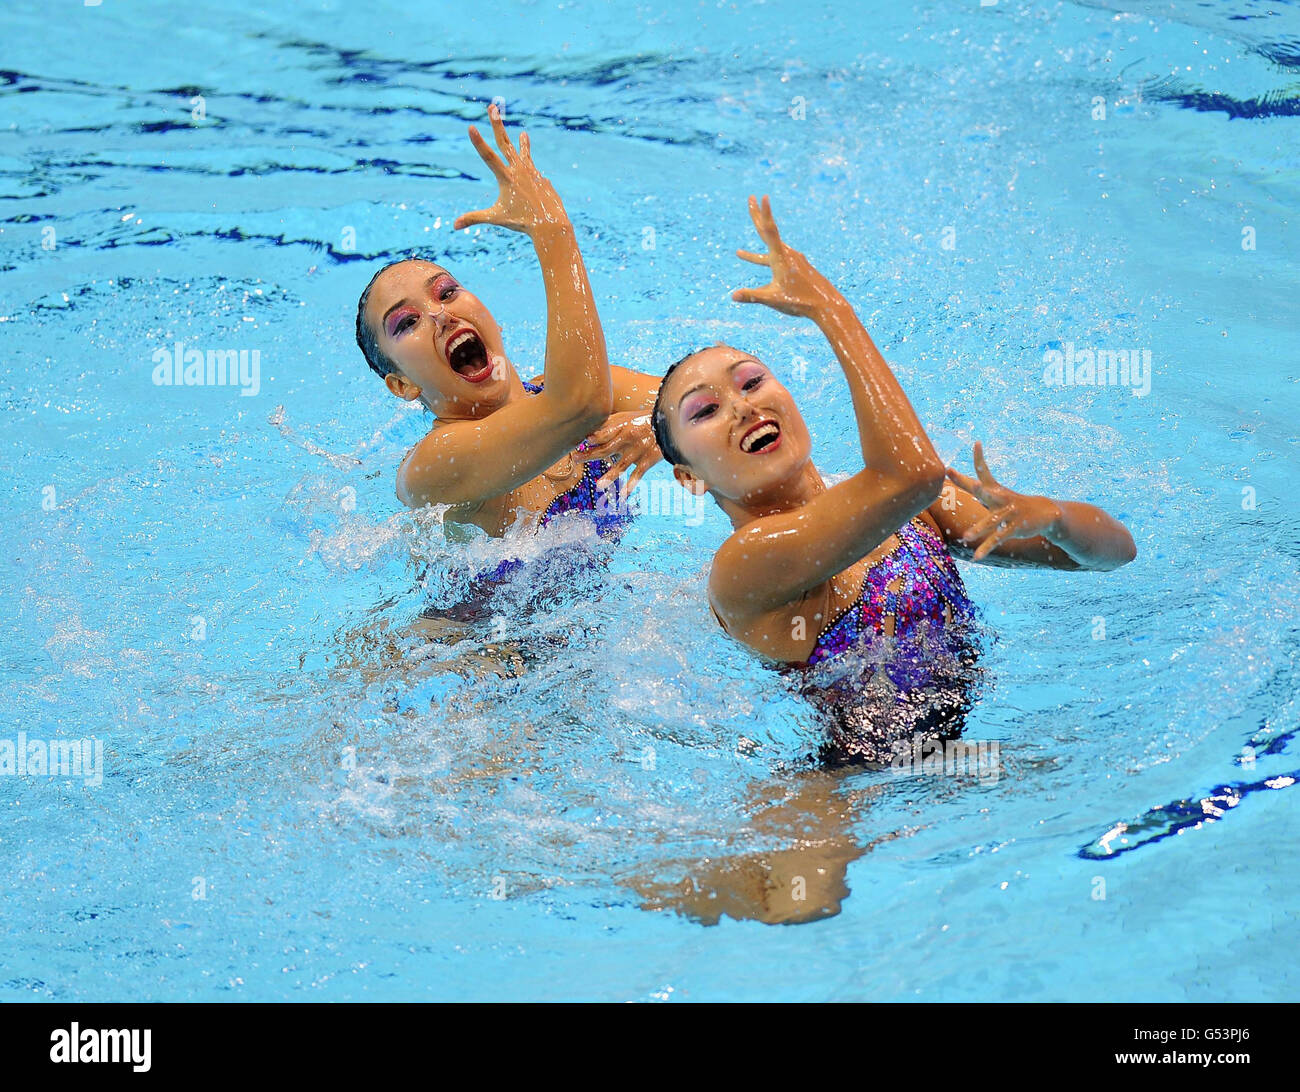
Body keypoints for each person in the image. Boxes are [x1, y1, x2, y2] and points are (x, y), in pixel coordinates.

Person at [651, 196, 1136, 762]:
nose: (741, 408)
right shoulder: (746, 564)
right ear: (689, 480)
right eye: (705, 410)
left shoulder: (910, 507)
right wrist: (831, 310)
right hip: (861, 785)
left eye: (752, 381)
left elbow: (1114, 555)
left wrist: (1054, 518)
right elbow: (915, 473)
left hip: (963, 759)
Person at [354, 104, 661, 545]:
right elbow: (579, 407)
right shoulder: (432, 467)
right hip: (467, 617)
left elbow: (702, 401)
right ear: (402, 385)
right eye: (407, 322)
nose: (440, 314)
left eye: (446, 292)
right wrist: (553, 231)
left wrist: (656, 426)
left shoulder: (582, 390)